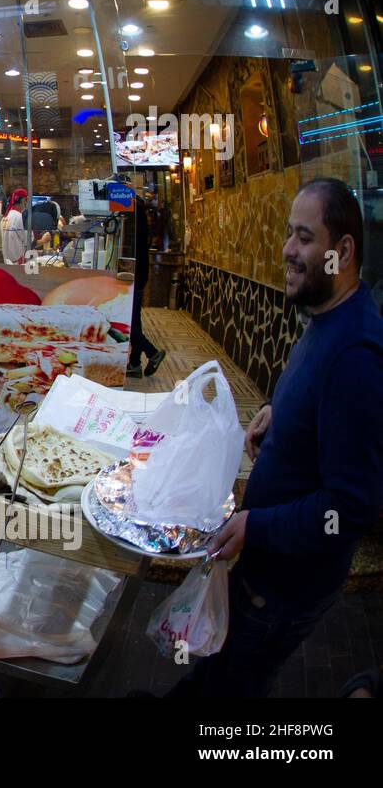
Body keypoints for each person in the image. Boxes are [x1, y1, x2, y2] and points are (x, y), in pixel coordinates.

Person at [168, 178, 383, 698]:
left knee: (233, 686)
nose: (287, 249)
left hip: (287, 587)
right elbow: (316, 406)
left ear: (343, 251)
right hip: (263, 568)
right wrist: (273, 413)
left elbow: (350, 508)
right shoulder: (326, 316)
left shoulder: (357, 354)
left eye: (304, 237)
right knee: (218, 672)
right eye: (288, 233)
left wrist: (257, 525)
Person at [126, 191, 166, 378]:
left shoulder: (132, 213)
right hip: (140, 272)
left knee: (127, 322)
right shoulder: (141, 211)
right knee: (134, 320)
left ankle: (152, 352)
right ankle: (134, 364)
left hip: (133, 273)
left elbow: (128, 245)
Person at [1, 188, 28, 264]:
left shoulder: (4, 218)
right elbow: (29, 241)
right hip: (18, 264)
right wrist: (44, 240)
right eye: (26, 201)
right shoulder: (20, 217)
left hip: (7, 263)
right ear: (23, 201)